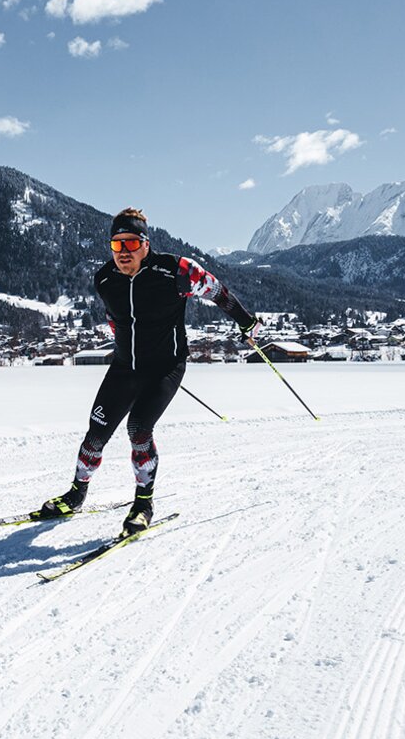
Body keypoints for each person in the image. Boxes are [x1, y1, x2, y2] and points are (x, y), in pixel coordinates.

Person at [33, 208, 258, 536]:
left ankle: (143, 504)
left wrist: (245, 320)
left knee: (138, 429)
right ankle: (77, 494)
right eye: (116, 245)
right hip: (125, 368)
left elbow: (217, 292)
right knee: (95, 435)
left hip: (166, 367)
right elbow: (115, 319)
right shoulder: (105, 279)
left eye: (131, 244)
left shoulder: (178, 271)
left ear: (146, 244)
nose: (123, 252)